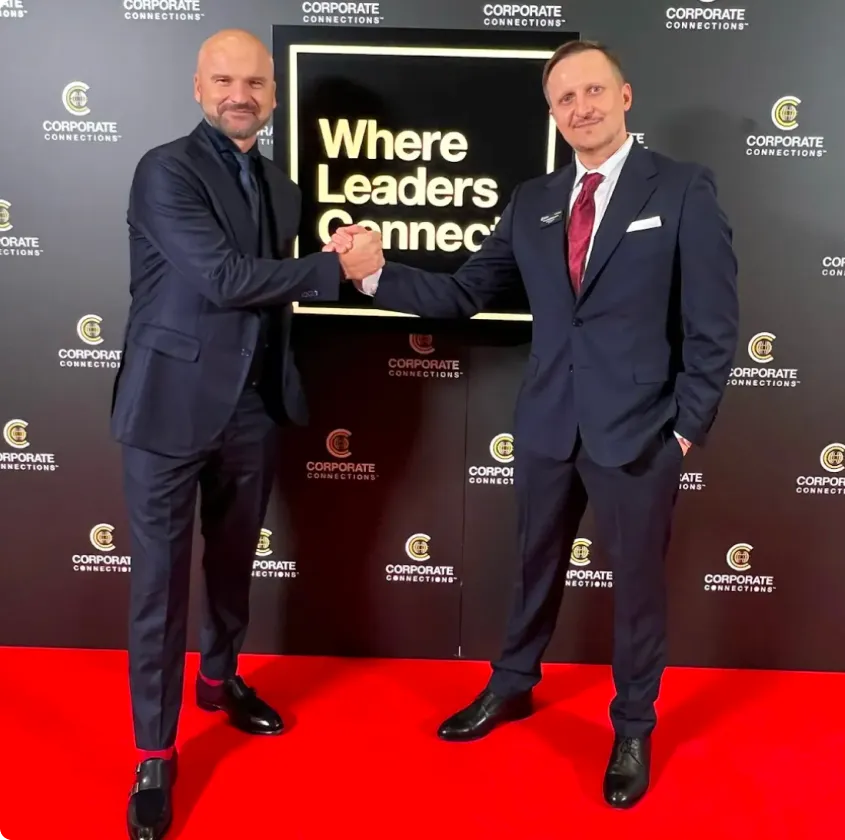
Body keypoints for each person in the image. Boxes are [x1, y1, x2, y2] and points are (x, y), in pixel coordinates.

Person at [327, 39, 738, 808]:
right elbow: (465, 293)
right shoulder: (534, 199)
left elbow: (714, 325)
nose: (580, 108)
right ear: (553, 114)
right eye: (564, 99)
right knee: (531, 567)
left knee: (640, 588)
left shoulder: (682, 189)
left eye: (592, 91)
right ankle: (513, 684)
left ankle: (633, 724)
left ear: (624, 95)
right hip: (548, 424)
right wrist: (373, 273)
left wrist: (683, 430)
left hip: (639, 432)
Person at [112, 28, 381, 840]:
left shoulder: (283, 185)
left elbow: (280, 293)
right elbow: (227, 279)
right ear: (198, 88)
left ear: (272, 93)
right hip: (167, 405)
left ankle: (220, 679)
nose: (241, 94)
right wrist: (335, 266)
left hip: (254, 406)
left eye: (254, 82)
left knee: (233, 564)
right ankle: (155, 753)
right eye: (224, 80)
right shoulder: (166, 169)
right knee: (161, 584)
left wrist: (353, 261)